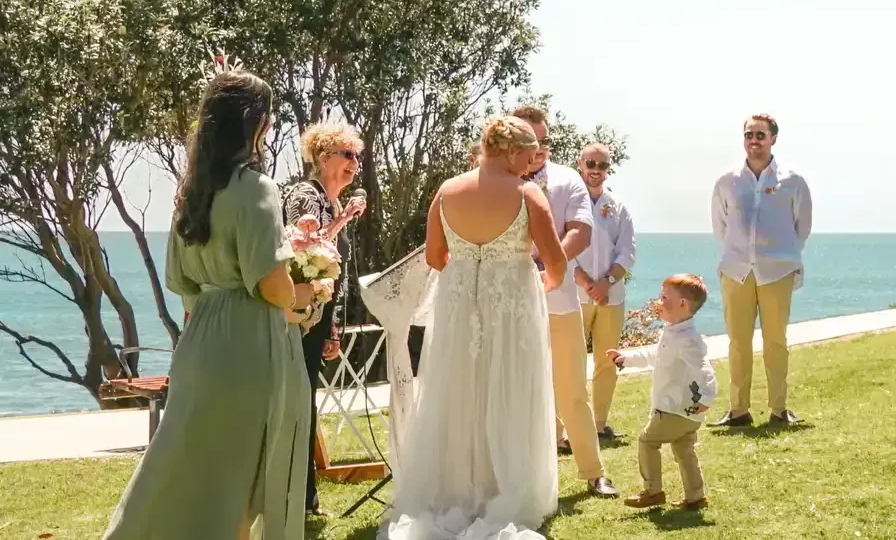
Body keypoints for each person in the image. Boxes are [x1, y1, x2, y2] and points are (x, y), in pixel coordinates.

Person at [103, 69, 311, 540]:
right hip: (248, 346)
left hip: (199, 346)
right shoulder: (256, 189)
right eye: (269, 115)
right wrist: (304, 296)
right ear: (253, 122)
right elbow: (271, 286)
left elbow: (186, 290)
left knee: (186, 472)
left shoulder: (190, 196)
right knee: (240, 480)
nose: (273, 124)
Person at [387, 115, 568, 539]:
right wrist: (539, 282)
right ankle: (507, 485)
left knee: (456, 389)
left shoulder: (448, 191)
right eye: (528, 155)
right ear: (510, 151)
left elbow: (435, 256)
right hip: (512, 308)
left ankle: (453, 486)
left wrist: (469, 273)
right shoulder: (527, 194)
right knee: (511, 385)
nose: (532, 164)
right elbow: (555, 261)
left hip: (457, 305)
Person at [512, 105, 617, 497]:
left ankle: (593, 473)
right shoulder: (499, 178)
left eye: (545, 141)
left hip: (560, 302)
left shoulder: (567, 179)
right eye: (531, 141)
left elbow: (581, 232)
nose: (539, 149)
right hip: (509, 304)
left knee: (573, 390)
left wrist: (550, 268)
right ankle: (518, 476)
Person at [280, 121, 368, 517]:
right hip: (296, 316)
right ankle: (297, 498)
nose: (355, 164)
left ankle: (304, 498)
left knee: (306, 404)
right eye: (347, 155)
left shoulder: (331, 203)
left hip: (318, 317)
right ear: (322, 157)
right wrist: (344, 220)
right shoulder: (305, 194)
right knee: (297, 405)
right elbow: (305, 250)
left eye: (357, 157)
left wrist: (332, 328)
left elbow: (331, 275)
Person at [710, 114, 814, 428]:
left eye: (760, 134)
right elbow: (720, 226)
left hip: (776, 271)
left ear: (773, 139)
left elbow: (802, 227)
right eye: (748, 134)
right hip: (737, 271)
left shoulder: (792, 181)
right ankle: (738, 411)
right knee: (738, 343)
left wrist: (780, 254)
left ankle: (779, 409)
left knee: (776, 341)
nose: (753, 140)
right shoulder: (727, 181)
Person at [621, 275, 719, 512]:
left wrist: (706, 397)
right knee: (684, 449)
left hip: (674, 408)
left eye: (664, 297)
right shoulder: (675, 332)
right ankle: (696, 497)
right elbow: (656, 356)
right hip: (687, 411)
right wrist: (627, 358)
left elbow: (706, 371)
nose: (658, 301)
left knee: (648, 441)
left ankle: (653, 491)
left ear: (683, 304)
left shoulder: (687, 339)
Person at [574, 143, 636, 439]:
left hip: (612, 297)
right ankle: (568, 426)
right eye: (591, 164)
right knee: (570, 362)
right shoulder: (570, 204)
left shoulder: (619, 208)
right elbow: (563, 251)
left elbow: (627, 252)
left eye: (602, 166)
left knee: (606, 361)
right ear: (580, 164)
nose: (596, 171)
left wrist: (606, 283)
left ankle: (599, 424)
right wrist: (588, 284)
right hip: (575, 295)